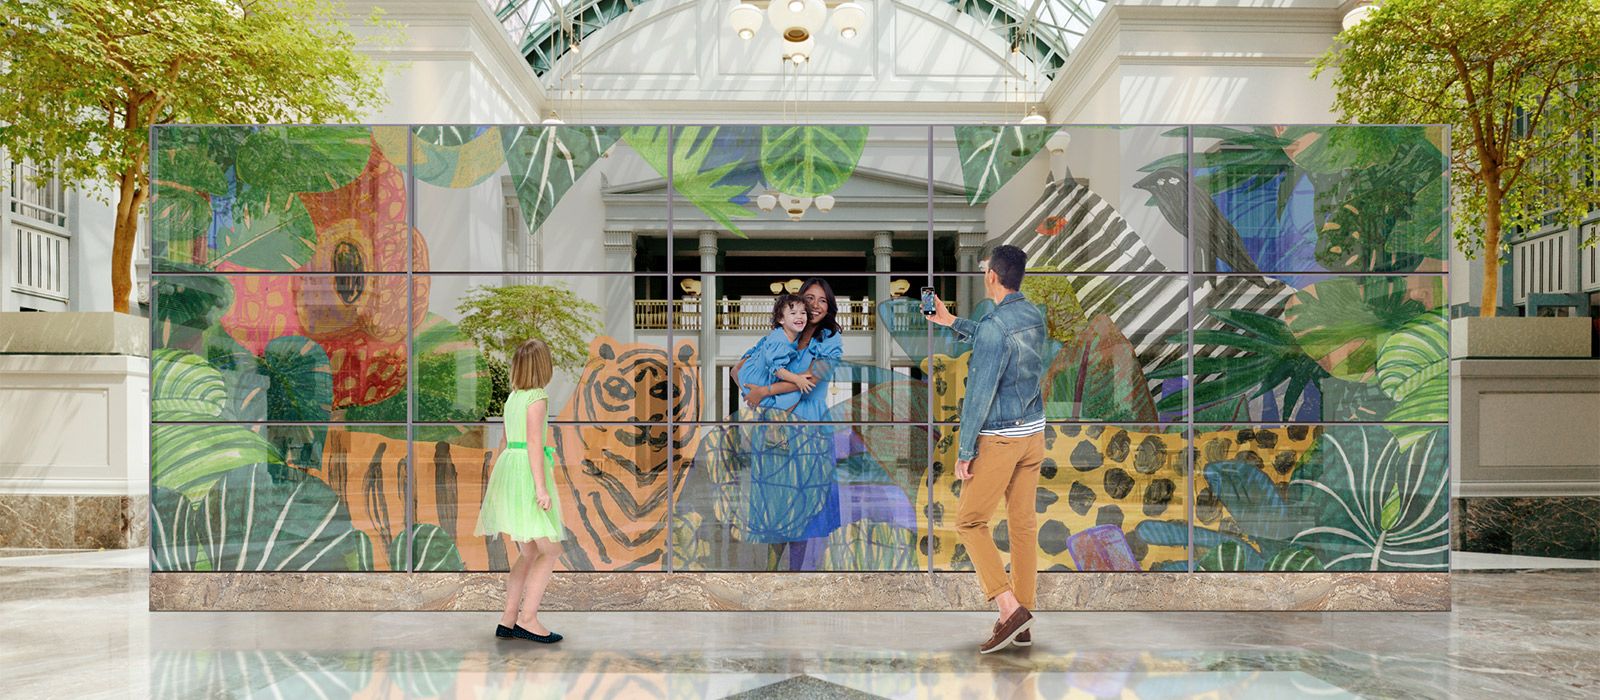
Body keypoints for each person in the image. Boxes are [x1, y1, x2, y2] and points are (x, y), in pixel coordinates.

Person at [927, 245, 1047, 654]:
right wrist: (951, 322)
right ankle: (1023, 618)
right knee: (1022, 525)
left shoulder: (996, 325)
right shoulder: (1032, 315)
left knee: (970, 521)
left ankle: (1007, 607)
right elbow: (997, 340)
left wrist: (964, 450)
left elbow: (979, 393)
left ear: (993, 277)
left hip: (1000, 439)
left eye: (984, 270)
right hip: (1033, 436)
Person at [734, 278, 845, 570]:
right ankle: (772, 572)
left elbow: (811, 379)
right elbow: (738, 369)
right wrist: (751, 393)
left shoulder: (830, 340)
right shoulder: (782, 335)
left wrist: (764, 392)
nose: (816, 305)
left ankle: (794, 574)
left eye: (823, 300)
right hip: (774, 429)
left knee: (805, 504)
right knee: (777, 502)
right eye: (810, 298)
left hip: (810, 427)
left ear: (829, 306)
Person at [474, 338, 565, 644]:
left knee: (529, 552)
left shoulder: (513, 397)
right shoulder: (537, 398)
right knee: (550, 550)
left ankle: (508, 618)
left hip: (509, 468)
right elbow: (534, 445)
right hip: (526, 472)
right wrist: (541, 488)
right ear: (544, 366)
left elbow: (504, 441)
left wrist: (498, 479)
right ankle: (528, 619)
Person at [735, 293, 815, 412]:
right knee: (794, 395)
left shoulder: (787, 334)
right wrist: (797, 379)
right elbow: (776, 370)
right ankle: (776, 421)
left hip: (753, 373)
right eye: (793, 313)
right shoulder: (780, 342)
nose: (799, 316)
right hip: (756, 379)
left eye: (803, 313)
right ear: (781, 319)